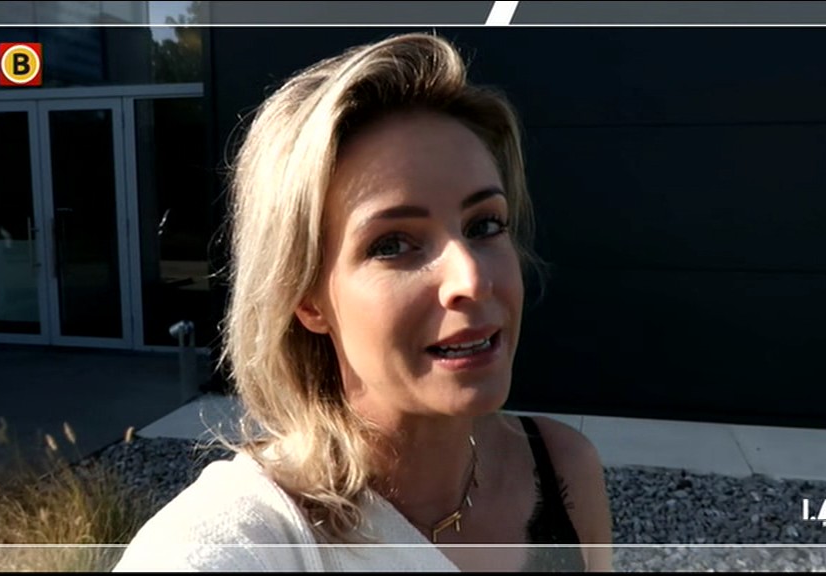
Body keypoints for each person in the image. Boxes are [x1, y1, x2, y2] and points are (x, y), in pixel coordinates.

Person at [113, 31, 613, 572]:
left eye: (484, 225)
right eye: (392, 244)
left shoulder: (562, 467)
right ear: (306, 299)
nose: (471, 278)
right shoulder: (236, 543)